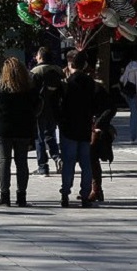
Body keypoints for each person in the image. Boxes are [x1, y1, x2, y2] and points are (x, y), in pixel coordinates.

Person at [0, 57, 37, 207]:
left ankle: (4, 196)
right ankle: (21, 196)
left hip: (3, 129)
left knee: (4, 162)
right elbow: (37, 104)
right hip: (23, 129)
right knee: (22, 162)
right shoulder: (28, 88)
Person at [58, 51, 104, 208]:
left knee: (69, 162)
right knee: (86, 163)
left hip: (69, 127)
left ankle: (65, 194)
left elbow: (60, 106)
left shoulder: (67, 83)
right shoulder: (91, 83)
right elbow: (97, 105)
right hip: (85, 128)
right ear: (84, 65)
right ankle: (85, 195)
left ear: (71, 65)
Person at [85, 61, 116, 203]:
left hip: (96, 130)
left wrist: (98, 124)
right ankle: (93, 190)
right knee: (89, 160)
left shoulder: (97, 90)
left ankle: (96, 190)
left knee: (92, 159)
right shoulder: (85, 88)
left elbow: (111, 108)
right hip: (86, 127)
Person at [29, 46, 64, 175]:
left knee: (39, 138)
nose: (36, 57)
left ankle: (42, 166)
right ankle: (57, 157)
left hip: (40, 109)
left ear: (41, 57)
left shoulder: (36, 72)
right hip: (54, 108)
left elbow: (31, 92)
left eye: (37, 55)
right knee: (50, 135)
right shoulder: (58, 71)